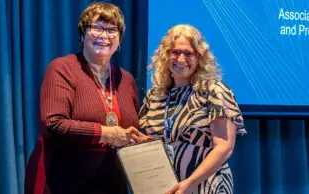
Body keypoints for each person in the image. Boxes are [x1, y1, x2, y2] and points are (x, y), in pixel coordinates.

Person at [24, 2, 149, 194]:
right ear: (83, 34)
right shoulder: (62, 68)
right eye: (96, 28)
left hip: (112, 186)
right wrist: (111, 134)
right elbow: (53, 125)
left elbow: (131, 130)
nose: (104, 35)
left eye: (111, 30)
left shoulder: (127, 79)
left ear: (120, 39)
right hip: (65, 183)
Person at [139, 24, 247, 194]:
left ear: (200, 57)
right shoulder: (154, 95)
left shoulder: (215, 91)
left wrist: (189, 183)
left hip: (206, 186)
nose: (181, 59)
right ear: (165, 56)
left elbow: (224, 147)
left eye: (188, 53)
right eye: (175, 52)